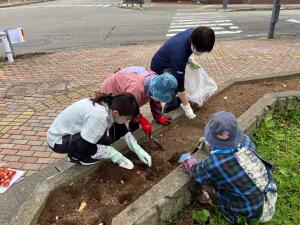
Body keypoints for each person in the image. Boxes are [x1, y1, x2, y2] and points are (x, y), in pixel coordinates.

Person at [179, 111, 277, 223]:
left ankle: (207, 199)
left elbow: (196, 170)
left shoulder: (213, 164)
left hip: (246, 214)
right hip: (267, 196)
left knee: (207, 186)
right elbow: (227, 149)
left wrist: (187, 159)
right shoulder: (246, 141)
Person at [47, 92, 151, 169]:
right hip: (58, 140)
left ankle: (78, 152)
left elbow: (120, 127)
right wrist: (116, 156)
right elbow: (86, 146)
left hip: (73, 132)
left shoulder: (109, 104)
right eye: (127, 118)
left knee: (108, 141)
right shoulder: (99, 116)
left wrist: (136, 148)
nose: (127, 121)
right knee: (89, 148)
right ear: (116, 113)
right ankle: (77, 157)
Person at [151, 26, 215, 119]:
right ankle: (169, 115)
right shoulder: (179, 56)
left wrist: (188, 59)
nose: (201, 52)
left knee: (178, 92)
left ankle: (178, 105)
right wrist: (187, 108)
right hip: (161, 67)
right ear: (194, 42)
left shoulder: (195, 33)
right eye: (200, 50)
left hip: (172, 59)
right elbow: (180, 86)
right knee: (171, 95)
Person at [101, 66, 178, 140]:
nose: (158, 98)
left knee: (134, 116)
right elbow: (127, 107)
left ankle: (133, 132)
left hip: (128, 88)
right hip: (113, 90)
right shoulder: (136, 89)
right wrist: (141, 119)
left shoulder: (156, 81)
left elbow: (155, 98)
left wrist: (158, 116)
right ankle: (114, 142)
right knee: (118, 121)